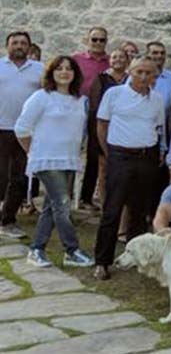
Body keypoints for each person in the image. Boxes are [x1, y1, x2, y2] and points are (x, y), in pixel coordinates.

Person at [15, 55, 94, 268]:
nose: (64, 72)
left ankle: (36, 249)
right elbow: (21, 128)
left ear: (75, 74)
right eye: (59, 68)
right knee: (62, 205)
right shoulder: (41, 97)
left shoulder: (81, 101)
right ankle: (72, 250)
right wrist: (34, 152)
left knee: (52, 208)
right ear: (52, 73)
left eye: (69, 69)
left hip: (68, 160)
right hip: (46, 161)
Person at [93, 56, 167, 280]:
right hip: (120, 155)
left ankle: (137, 258)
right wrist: (109, 154)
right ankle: (102, 261)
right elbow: (102, 125)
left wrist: (160, 152)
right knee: (112, 210)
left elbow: (159, 127)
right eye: (139, 72)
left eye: (149, 73)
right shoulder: (114, 94)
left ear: (155, 76)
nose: (144, 77)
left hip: (147, 156)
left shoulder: (157, 99)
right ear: (130, 72)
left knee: (140, 210)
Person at [0, 31, 43, 239]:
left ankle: (7, 220)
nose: (19, 45)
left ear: (29, 47)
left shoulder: (40, 70)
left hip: (26, 132)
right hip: (1, 128)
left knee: (18, 177)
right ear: (7, 46)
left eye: (23, 43)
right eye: (15, 42)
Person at [81, 48, 130, 211]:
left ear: (127, 60)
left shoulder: (130, 79)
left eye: (121, 57)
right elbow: (95, 107)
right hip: (104, 126)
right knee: (104, 167)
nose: (118, 60)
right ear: (110, 60)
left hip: (124, 128)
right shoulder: (101, 79)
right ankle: (105, 205)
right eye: (115, 57)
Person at [72, 26, 110, 100]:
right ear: (87, 41)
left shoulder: (112, 62)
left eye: (102, 40)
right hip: (79, 102)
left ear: (106, 42)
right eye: (94, 39)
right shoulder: (76, 59)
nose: (98, 43)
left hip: (104, 104)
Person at [146, 41, 171, 114]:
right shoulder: (136, 77)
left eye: (162, 53)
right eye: (155, 53)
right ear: (147, 55)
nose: (159, 56)